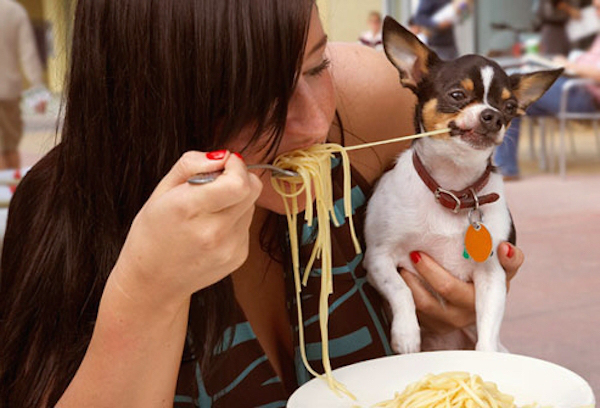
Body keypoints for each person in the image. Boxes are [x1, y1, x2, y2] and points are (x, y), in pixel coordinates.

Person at [0, 1, 524, 407]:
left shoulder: (368, 104)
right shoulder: (65, 208)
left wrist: (457, 290)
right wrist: (147, 293)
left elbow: (474, 198)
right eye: (254, 97)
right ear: (145, 99)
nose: (314, 125)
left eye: (318, 67)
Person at [495, 0, 600, 180]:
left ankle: (505, 168)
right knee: (510, 105)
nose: (595, 12)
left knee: (512, 92)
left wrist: (571, 65)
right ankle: (505, 167)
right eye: (596, 8)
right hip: (573, 84)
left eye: (598, 8)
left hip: (584, 94)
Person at [0, 0, 48, 170]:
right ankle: (12, 193)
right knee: (9, 148)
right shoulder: (15, 11)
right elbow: (28, 54)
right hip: (8, 92)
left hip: (8, 92)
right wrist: (37, 90)